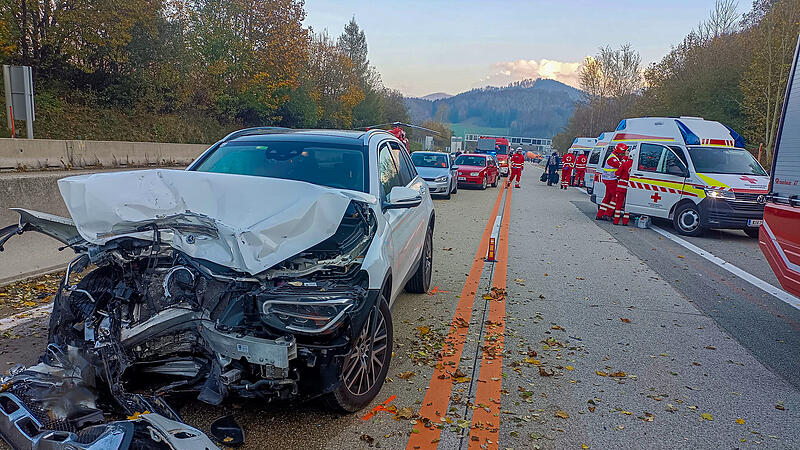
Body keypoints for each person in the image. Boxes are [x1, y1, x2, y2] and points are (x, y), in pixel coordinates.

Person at [595, 143, 627, 220]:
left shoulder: (613, 157)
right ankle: (608, 214)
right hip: (611, 180)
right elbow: (621, 166)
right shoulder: (613, 159)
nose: (624, 153)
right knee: (616, 197)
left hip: (609, 180)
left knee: (608, 197)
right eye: (624, 151)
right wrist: (626, 157)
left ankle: (600, 214)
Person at [613, 148, 634, 225]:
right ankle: (625, 222)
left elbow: (617, 173)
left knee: (619, 204)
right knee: (627, 205)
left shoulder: (625, 164)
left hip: (621, 187)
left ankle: (616, 221)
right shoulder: (636, 166)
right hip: (631, 188)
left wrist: (620, 177)